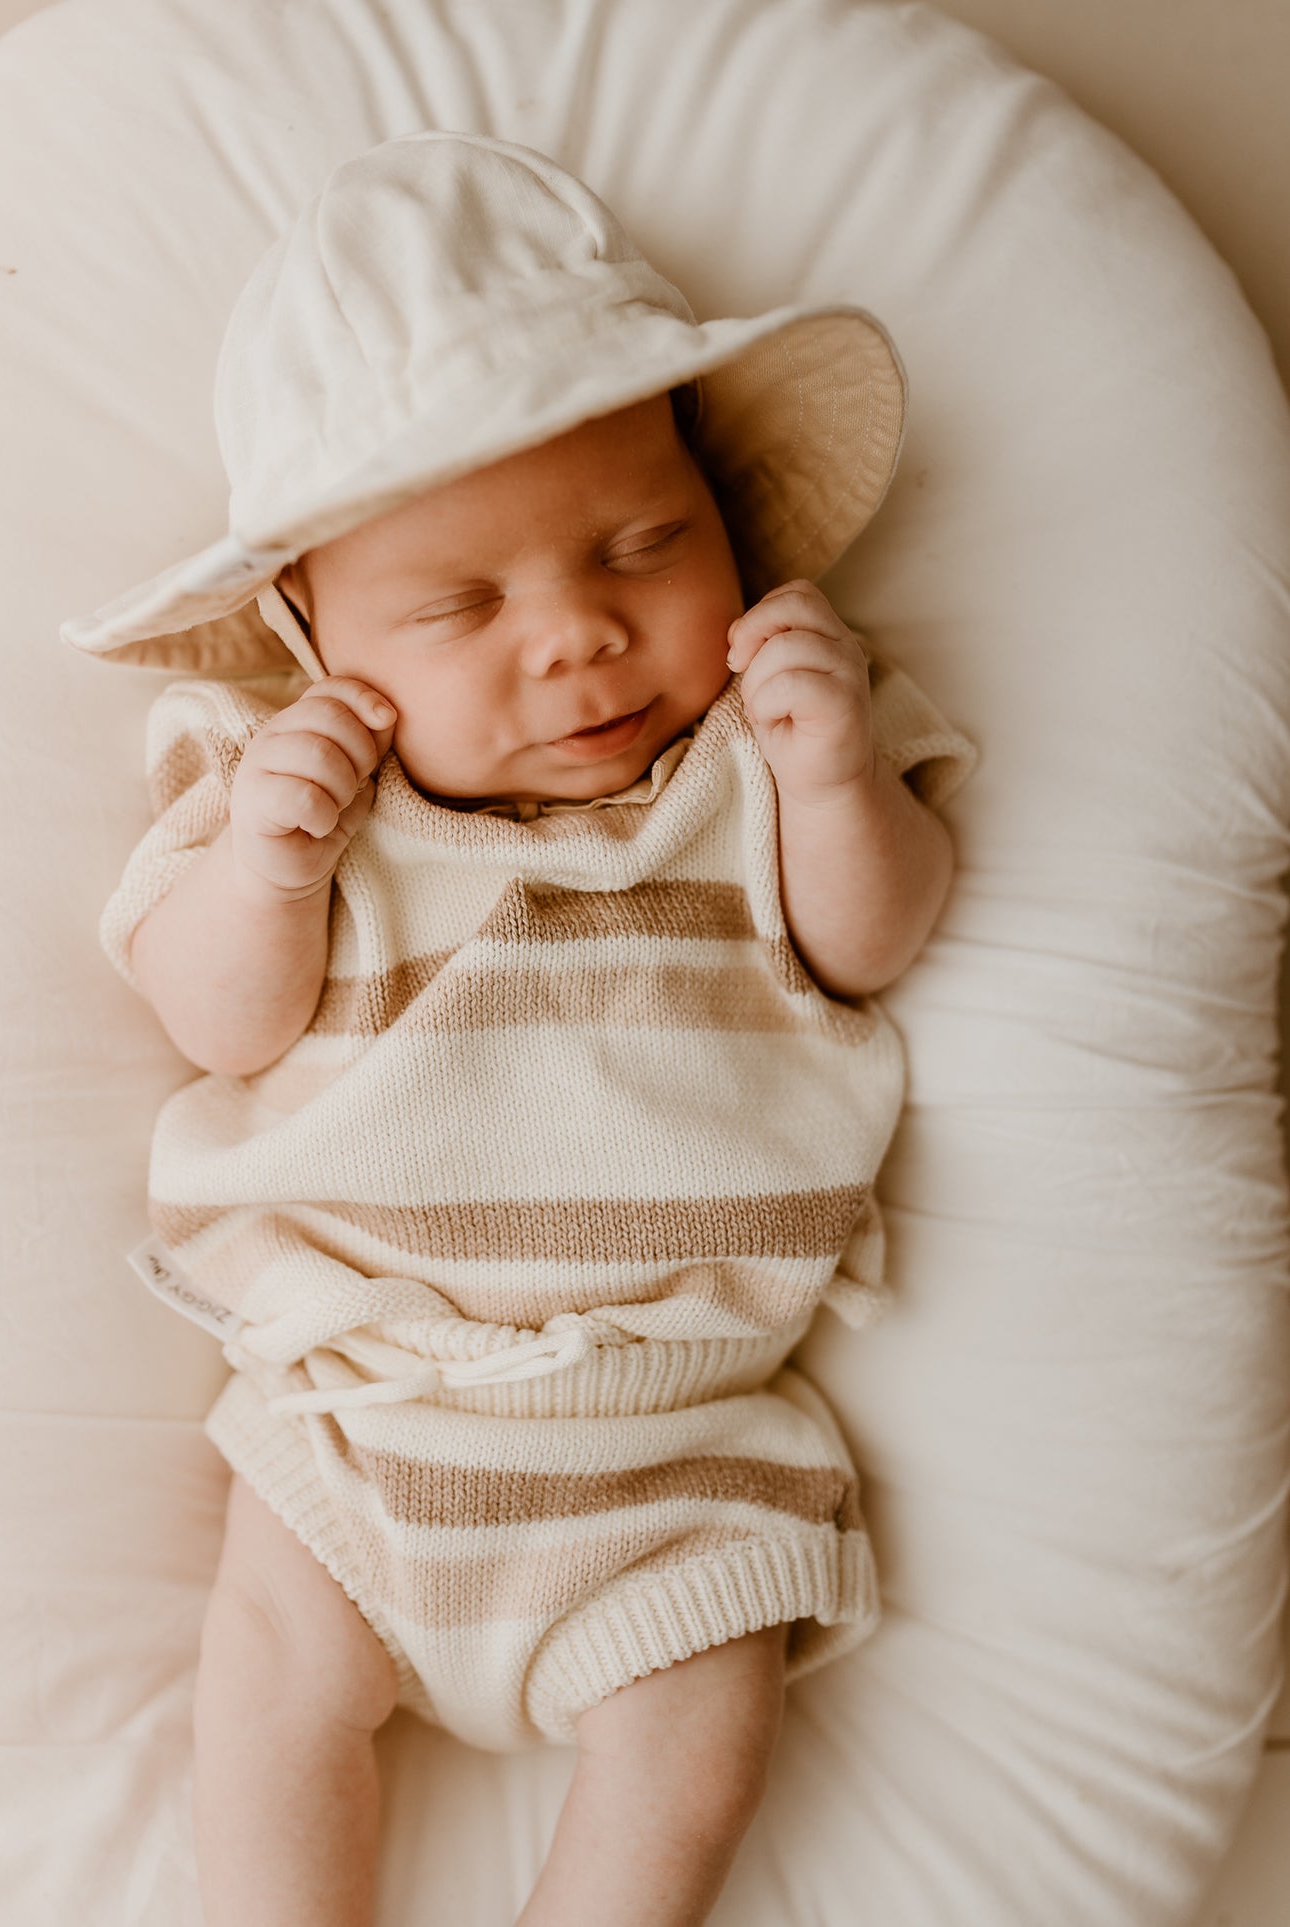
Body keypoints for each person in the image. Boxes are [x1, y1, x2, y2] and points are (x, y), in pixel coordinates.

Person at [62, 132, 975, 1927]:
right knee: (269, 1703)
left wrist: (835, 773)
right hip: (364, 1418)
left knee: (691, 1755)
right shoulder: (291, 799)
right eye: (461, 605)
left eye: (644, 545)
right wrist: (265, 865)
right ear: (306, 625)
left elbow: (874, 947)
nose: (575, 639)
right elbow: (220, 1025)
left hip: (680, 1443)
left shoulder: (758, 764)